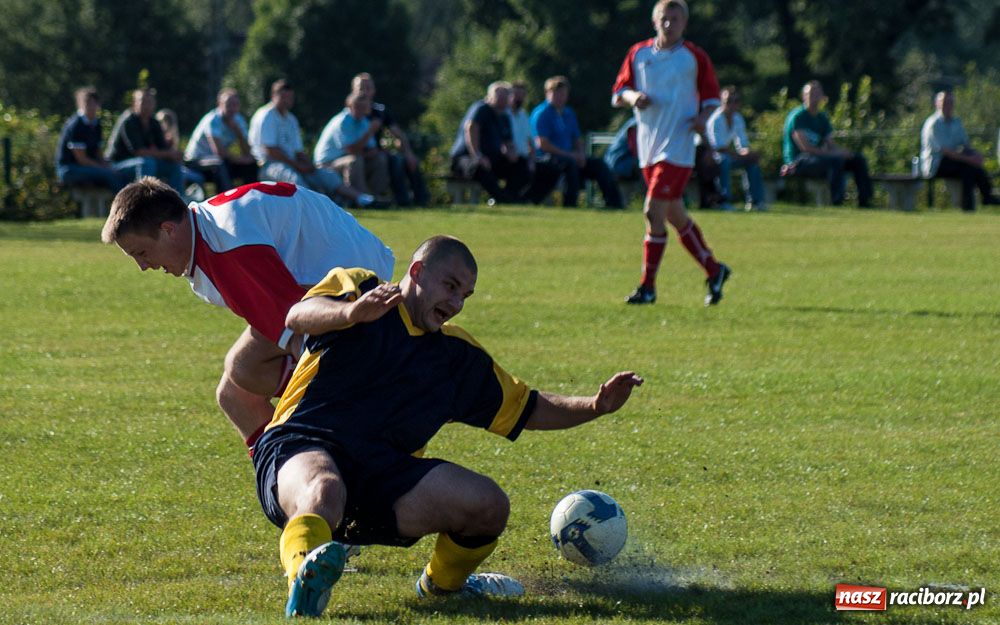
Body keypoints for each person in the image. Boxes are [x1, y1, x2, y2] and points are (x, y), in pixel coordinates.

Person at [253, 235, 644, 617]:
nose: (456, 303)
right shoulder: (362, 287)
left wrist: (595, 405)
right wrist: (350, 313)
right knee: (325, 486)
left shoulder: (456, 358)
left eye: (465, 296)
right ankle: (303, 584)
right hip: (300, 445)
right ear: (418, 271)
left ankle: (441, 588)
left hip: (381, 480)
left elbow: (529, 408)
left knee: (488, 505)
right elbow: (297, 315)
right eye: (450, 286)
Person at [100, 177, 395, 453]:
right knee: (235, 394)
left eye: (141, 252)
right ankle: (286, 471)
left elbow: (300, 333)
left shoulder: (227, 249)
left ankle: (335, 444)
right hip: (342, 277)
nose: (143, 266)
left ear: (168, 230)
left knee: (244, 368)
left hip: (355, 285)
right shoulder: (209, 234)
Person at [612, 0, 732, 306]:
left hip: (677, 146)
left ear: (684, 24)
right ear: (655, 21)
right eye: (664, 18)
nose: (669, 24)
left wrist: (702, 120)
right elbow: (618, 91)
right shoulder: (639, 53)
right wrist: (633, 96)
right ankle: (714, 270)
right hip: (648, 145)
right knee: (675, 216)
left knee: (653, 211)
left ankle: (647, 287)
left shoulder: (693, 57)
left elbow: (711, 98)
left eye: (675, 19)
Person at [249, 79, 374, 207]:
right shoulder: (266, 115)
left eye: (290, 97)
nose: (287, 101)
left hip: (292, 163)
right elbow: (270, 150)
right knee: (297, 181)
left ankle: (363, 199)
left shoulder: (291, 119)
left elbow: (298, 151)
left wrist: (309, 165)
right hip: (270, 165)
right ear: (274, 96)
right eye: (283, 97)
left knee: (325, 176)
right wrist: (297, 165)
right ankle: (320, 207)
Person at [531, 76, 624, 208]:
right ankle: (570, 205)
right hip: (547, 158)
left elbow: (576, 138)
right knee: (570, 165)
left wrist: (580, 154)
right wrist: (569, 155)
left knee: (599, 165)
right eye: (555, 93)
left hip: (570, 157)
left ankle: (614, 204)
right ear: (547, 93)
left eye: (562, 93)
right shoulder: (542, 113)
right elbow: (543, 144)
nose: (559, 97)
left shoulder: (568, 113)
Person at [781, 80, 873, 207]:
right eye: (811, 94)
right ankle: (837, 201)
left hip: (820, 158)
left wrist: (842, 152)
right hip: (798, 161)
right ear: (804, 96)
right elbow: (806, 148)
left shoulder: (822, 118)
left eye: (817, 94)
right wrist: (834, 155)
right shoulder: (798, 117)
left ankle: (865, 201)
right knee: (835, 161)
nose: (814, 97)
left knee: (857, 159)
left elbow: (830, 144)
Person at [351, 73, 430, 207]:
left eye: (368, 88)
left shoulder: (380, 112)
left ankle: (420, 200)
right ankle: (399, 200)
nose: (365, 91)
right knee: (393, 160)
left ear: (374, 90)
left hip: (378, 153)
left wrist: (408, 153)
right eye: (361, 88)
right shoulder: (351, 113)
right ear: (353, 91)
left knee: (406, 160)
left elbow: (398, 134)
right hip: (360, 155)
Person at [449, 82, 532, 203]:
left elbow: (507, 142)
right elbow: (471, 128)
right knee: (480, 167)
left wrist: (511, 154)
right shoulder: (482, 108)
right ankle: (503, 199)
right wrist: (477, 155)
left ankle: (507, 197)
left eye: (505, 97)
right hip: (465, 158)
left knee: (522, 165)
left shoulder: (504, 116)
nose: (502, 101)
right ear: (490, 97)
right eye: (499, 97)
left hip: (490, 159)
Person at [920, 91, 998, 211]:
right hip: (935, 164)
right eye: (945, 102)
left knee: (973, 168)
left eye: (950, 102)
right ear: (937, 104)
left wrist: (975, 155)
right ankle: (973, 204)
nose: (948, 105)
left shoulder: (956, 122)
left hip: (954, 161)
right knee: (968, 167)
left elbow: (965, 145)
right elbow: (945, 151)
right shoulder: (933, 124)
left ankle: (987, 197)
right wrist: (969, 159)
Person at [314, 92, 391, 201]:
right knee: (354, 160)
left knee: (379, 158)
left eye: (364, 107)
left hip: (351, 158)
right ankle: (362, 198)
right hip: (326, 165)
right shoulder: (342, 122)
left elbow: (372, 150)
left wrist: (370, 151)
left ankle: (377, 196)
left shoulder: (363, 121)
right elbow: (351, 150)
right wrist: (369, 132)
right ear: (349, 106)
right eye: (358, 107)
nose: (361, 110)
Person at [106, 88, 184, 193]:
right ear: (134, 103)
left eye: (150, 102)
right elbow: (139, 151)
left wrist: (173, 154)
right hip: (117, 165)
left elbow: (163, 148)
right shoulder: (128, 121)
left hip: (144, 162)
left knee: (174, 167)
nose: (147, 105)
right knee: (147, 163)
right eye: (143, 101)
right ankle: (145, 202)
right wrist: (167, 154)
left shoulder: (153, 122)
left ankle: (178, 203)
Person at [185, 88, 258, 192]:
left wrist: (239, 133)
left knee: (251, 164)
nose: (232, 108)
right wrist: (240, 159)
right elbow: (219, 152)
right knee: (220, 164)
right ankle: (227, 201)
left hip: (219, 161)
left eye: (235, 104)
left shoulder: (239, 120)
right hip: (196, 161)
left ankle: (250, 198)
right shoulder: (212, 120)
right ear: (220, 104)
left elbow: (247, 152)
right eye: (228, 104)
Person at [705, 85, 767, 211]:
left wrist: (749, 154)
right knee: (725, 161)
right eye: (728, 101)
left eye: (736, 101)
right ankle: (724, 200)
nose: (732, 104)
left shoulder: (738, 118)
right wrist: (741, 155)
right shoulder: (716, 120)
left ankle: (755, 202)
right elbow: (719, 148)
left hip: (729, 155)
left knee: (752, 162)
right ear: (722, 102)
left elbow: (742, 144)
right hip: (711, 157)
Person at [55, 87, 127, 192]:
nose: (91, 107)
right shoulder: (76, 125)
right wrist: (105, 169)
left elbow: (99, 154)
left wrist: (109, 166)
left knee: (121, 173)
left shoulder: (96, 124)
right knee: (109, 175)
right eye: (88, 103)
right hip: (69, 169)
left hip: (87, 167)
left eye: (94, 103)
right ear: (80, 104)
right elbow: (82, 160)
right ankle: (125, 205)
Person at [154, 108, 207, 193]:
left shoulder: (171, 137)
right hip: (165, 168)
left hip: (177, 167)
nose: (166, 125)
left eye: (169, 122)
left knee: (199, 178)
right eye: (164, 122)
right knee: (190, 176)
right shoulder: (156, 136)